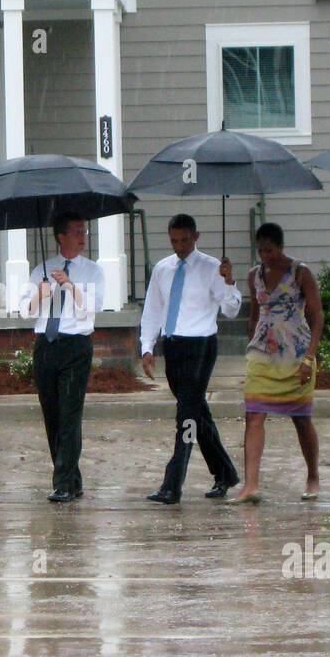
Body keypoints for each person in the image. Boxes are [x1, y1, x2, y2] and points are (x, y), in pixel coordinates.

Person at [139, 214, 242, 504]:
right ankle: (225, 472)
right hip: (173, 346)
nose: (179, 246)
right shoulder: (162, 269)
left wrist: (230, 281)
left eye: (184, 240)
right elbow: (153, 310)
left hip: (201, 346)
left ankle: (173, 484)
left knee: (186, 416)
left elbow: (231, 310)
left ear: (195, 237)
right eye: (174, 240)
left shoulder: (212, 268)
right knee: (197, 413)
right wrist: (147, 347)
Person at [233, 223, 323, 504]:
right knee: (254, 414)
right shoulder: (254, 275)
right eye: (260, 250)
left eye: (269, 250)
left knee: (301, 418)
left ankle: (313, 475)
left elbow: (317, 316)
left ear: (281, 247)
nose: (265, 256)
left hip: (295, 353)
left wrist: (310, 356)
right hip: (262, 352)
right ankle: (250, 485)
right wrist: (249, 349)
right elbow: (254, 315)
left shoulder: (301, 273)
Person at [18, 213, 105, 503]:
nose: (83, 237)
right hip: (46, 344)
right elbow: (25, 312)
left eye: (85, 232)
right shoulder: (42, 269)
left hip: (75, 346)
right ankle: (72, 478)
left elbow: (92, 307)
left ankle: (64, 484)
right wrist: (40, 295)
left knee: (70, 415)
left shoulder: (92, 270)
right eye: (77, 232)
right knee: (53, 416)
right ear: (61, 237)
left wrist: (69, 285)